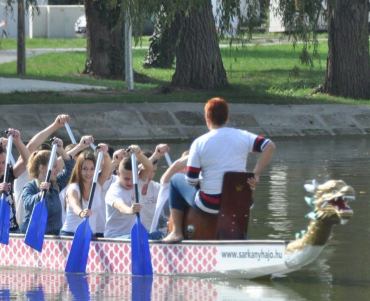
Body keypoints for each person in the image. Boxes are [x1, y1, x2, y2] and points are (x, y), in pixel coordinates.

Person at [162, 97, 276, 244]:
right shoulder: (243, 136)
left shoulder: (199, 143)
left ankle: (176, 232)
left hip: (210, 204)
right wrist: (256, 174)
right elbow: (269, 146)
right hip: (242, 202)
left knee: (175, 181)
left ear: (207, 117)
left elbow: (190, 181)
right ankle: (240, 238)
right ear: (227, 117)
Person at [19, 137, 75, 235]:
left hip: (54, 236)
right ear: (42, 168)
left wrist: (61, 150)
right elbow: (27, 204)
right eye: (54, 166)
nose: (58, 170)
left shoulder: (56, 184)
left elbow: (70, 170)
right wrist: (40, 195)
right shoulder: (30, 187)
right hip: (34, 235)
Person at [59, 145, 113, 237]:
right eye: (85, 169)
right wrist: (81, 213)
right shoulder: (73, 188)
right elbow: (74, 205)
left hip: (90, 235)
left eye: (92, 169)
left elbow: (107, 169)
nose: (89, 173)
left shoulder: (97, 184)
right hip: (70, 234)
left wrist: (105, 154)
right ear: (79, 169)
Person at [103, 145, 153, 239]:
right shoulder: (114, 190)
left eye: (132, 178)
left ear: (137, 174)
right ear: (118, 173)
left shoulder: (137, 182)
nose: (130, 183)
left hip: (133, 235)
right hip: (114, 237)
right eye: (126, 178)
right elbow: (121, 207)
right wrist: (131, 210)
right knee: (135, 237)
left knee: (158, 235)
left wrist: (138, 154)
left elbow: (149, 166)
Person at [136, 144, 171, 240]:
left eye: (154, 171)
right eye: (149, 171)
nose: (151, 176)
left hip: (153, 234)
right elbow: (136, 169)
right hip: (136, 235)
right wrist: (156, 154)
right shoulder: (131, 184)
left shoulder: (156, 187)